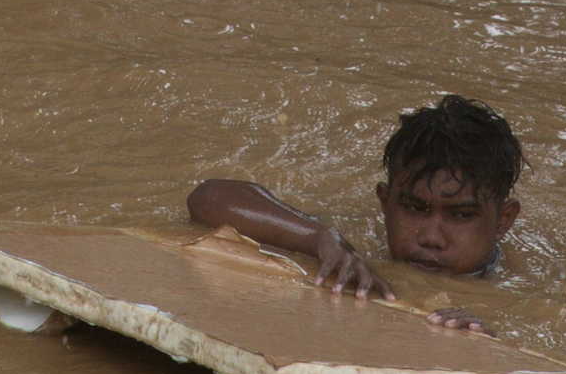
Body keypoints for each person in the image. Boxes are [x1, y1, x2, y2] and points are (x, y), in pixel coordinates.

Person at [186, 94, 523, 331]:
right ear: (384, 202)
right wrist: (319, 238)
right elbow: (208, 197)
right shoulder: (351, 248)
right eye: (414, 208)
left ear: (503, 221)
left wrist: (485, 347)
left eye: (461, 215)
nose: (431, 237)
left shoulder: (522, 294)